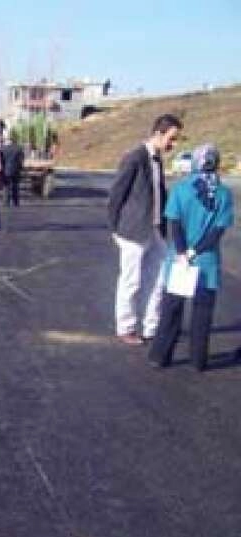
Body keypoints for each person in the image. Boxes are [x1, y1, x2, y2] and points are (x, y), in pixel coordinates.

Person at [149, 144, 234, 371]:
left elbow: (174, 223)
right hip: (207, 262)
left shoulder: (181, 189)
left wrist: (182, 252)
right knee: (202, 313)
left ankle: (160, 356)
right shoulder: (224, 194)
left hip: (179, 261)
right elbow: (217, 232)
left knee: (171, 310)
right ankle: (198, 360)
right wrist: (195, 252)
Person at [108, 113, 183, 345]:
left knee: (159, 279)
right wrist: (115, 228)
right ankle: (126, 327)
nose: (174, 144)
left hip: (155, 230)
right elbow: (116, 195)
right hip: (133, 232)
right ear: (159, 133)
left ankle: (152, 327)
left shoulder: (157, 159)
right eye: (171, 138)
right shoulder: (135, 158)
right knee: (131, 281)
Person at [0, 132, 24, 207]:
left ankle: (6, 202)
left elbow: (1, 161)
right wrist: (20, 168)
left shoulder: (2, 149)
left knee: (6, 187)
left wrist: (1, 170)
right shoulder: (19, 148)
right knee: (15, 186)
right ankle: (15, 202)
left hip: (5, 170)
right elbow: (21, 160)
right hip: (15, 170)